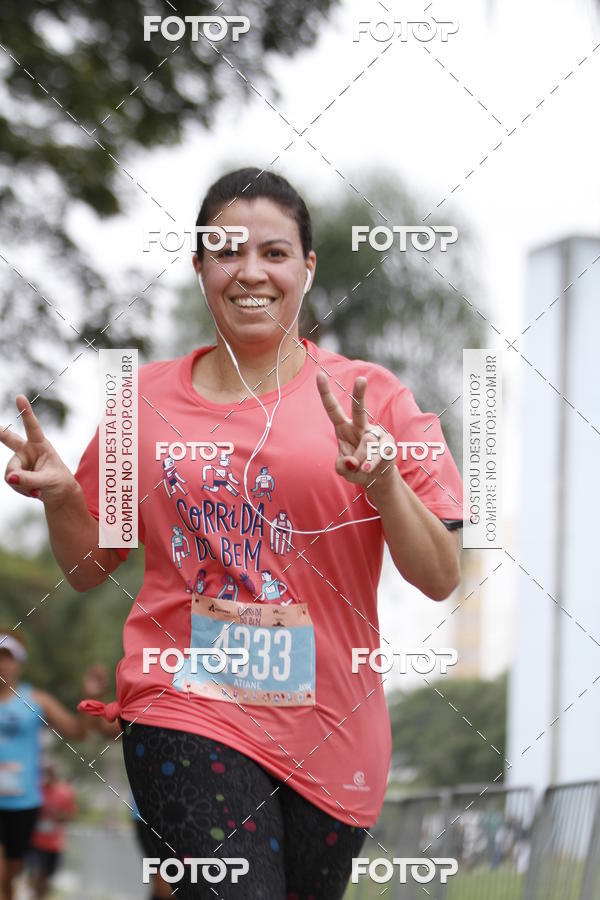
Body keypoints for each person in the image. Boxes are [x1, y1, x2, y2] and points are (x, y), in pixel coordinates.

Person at [1, 168, 463, 898]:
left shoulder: (374, 400)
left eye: (275, 253)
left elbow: (440, 574)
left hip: (331, 729)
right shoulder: (142, 404)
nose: (252, 272)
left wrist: (383, 485)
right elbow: (91, 566)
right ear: (199, 267)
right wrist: (63, 500)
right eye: (226, 250)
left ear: (307, 268)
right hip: (182, 703)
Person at [0, 631, 102, 900]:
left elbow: (78, 732)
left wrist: (89, 698)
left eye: (7, 658)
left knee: (11, 871)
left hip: (23, 803)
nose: (2, 664)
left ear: (18, 663)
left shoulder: (36, 700)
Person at [25, 762, 77, 898]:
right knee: (35, 873)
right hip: (34, 842)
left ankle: (38, 896)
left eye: (50, 773)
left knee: (46, 880)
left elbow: (70, 815)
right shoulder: (35, 790)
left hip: (54, 845)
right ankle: (33, 890)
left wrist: (59, 816)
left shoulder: (65, 792)